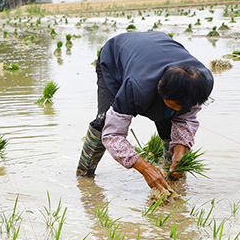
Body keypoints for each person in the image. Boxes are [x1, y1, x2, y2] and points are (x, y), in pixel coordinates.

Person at [76, 31, 213, 191]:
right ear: (159, 87)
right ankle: (84, 177)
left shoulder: (201, 82)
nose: (179, 109)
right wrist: (144, 168)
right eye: (175, 103)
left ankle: (172, 185)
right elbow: (113, 136)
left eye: (183, 106)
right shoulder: (136, 87)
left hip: (156, 49)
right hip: (115, 59)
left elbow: (186, 118)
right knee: (103, 122)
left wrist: (180, 151)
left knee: (169, 121)